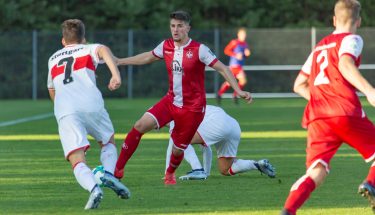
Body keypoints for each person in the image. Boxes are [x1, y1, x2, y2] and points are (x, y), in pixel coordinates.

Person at [114, 10, 252, 185]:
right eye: (172, 26)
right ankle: (116, 171)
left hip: (192, 109)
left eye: (180, 26)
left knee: (178, 149)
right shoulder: (166, 45)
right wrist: (119, 61)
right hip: (171, 101)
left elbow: (224, 68)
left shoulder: (199, 49)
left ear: (188, 27)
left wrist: (238, 91)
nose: (175, 30)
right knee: (140, 125)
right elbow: (148, 57)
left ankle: (170, 173)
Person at [280, 1, 375, 214]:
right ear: (358, 21)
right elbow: (345, 64)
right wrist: (370, 91)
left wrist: (321, 99)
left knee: (316, 172)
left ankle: (288, 210)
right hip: (344, 110)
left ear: (334, 20)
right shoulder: (352, 38)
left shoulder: (320, 46)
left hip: (318, 117)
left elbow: (298, 85)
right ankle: (371, 184)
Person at [47, 19, 130, 210]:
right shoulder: (88, 48)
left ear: (63, 41)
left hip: (66, 109)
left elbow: (52, 89)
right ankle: (107, 174)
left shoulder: (53, 58)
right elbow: (103, 50)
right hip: (91, 104)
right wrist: (115, 75)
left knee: (76, 158)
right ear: (83, 38)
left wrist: (62, 109)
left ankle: (94, 189)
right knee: (107, 142)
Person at [164, 105, 276, 180]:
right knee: (225, 169)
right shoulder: (189, 106)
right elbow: (206, 148)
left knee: (179, 141)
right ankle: (257, 165)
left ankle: (197, 170)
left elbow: (173, 146)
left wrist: (167, 174)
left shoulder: (176, 117)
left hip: (217, 125)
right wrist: (206, 174)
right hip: (233, 125)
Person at [217, 27, 251, 105]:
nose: (243, 36)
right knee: (232, 82)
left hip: (239, 66)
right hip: (234, 66)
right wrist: (235, 55)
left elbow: (244, 55)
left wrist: (246, 55)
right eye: (242, 34)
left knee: (236, 82)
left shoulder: (245, 44)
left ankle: (225, 94)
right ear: (238, 34)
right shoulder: (234, 42)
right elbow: (226, 50)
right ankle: (225, 94)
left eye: (244, 35)